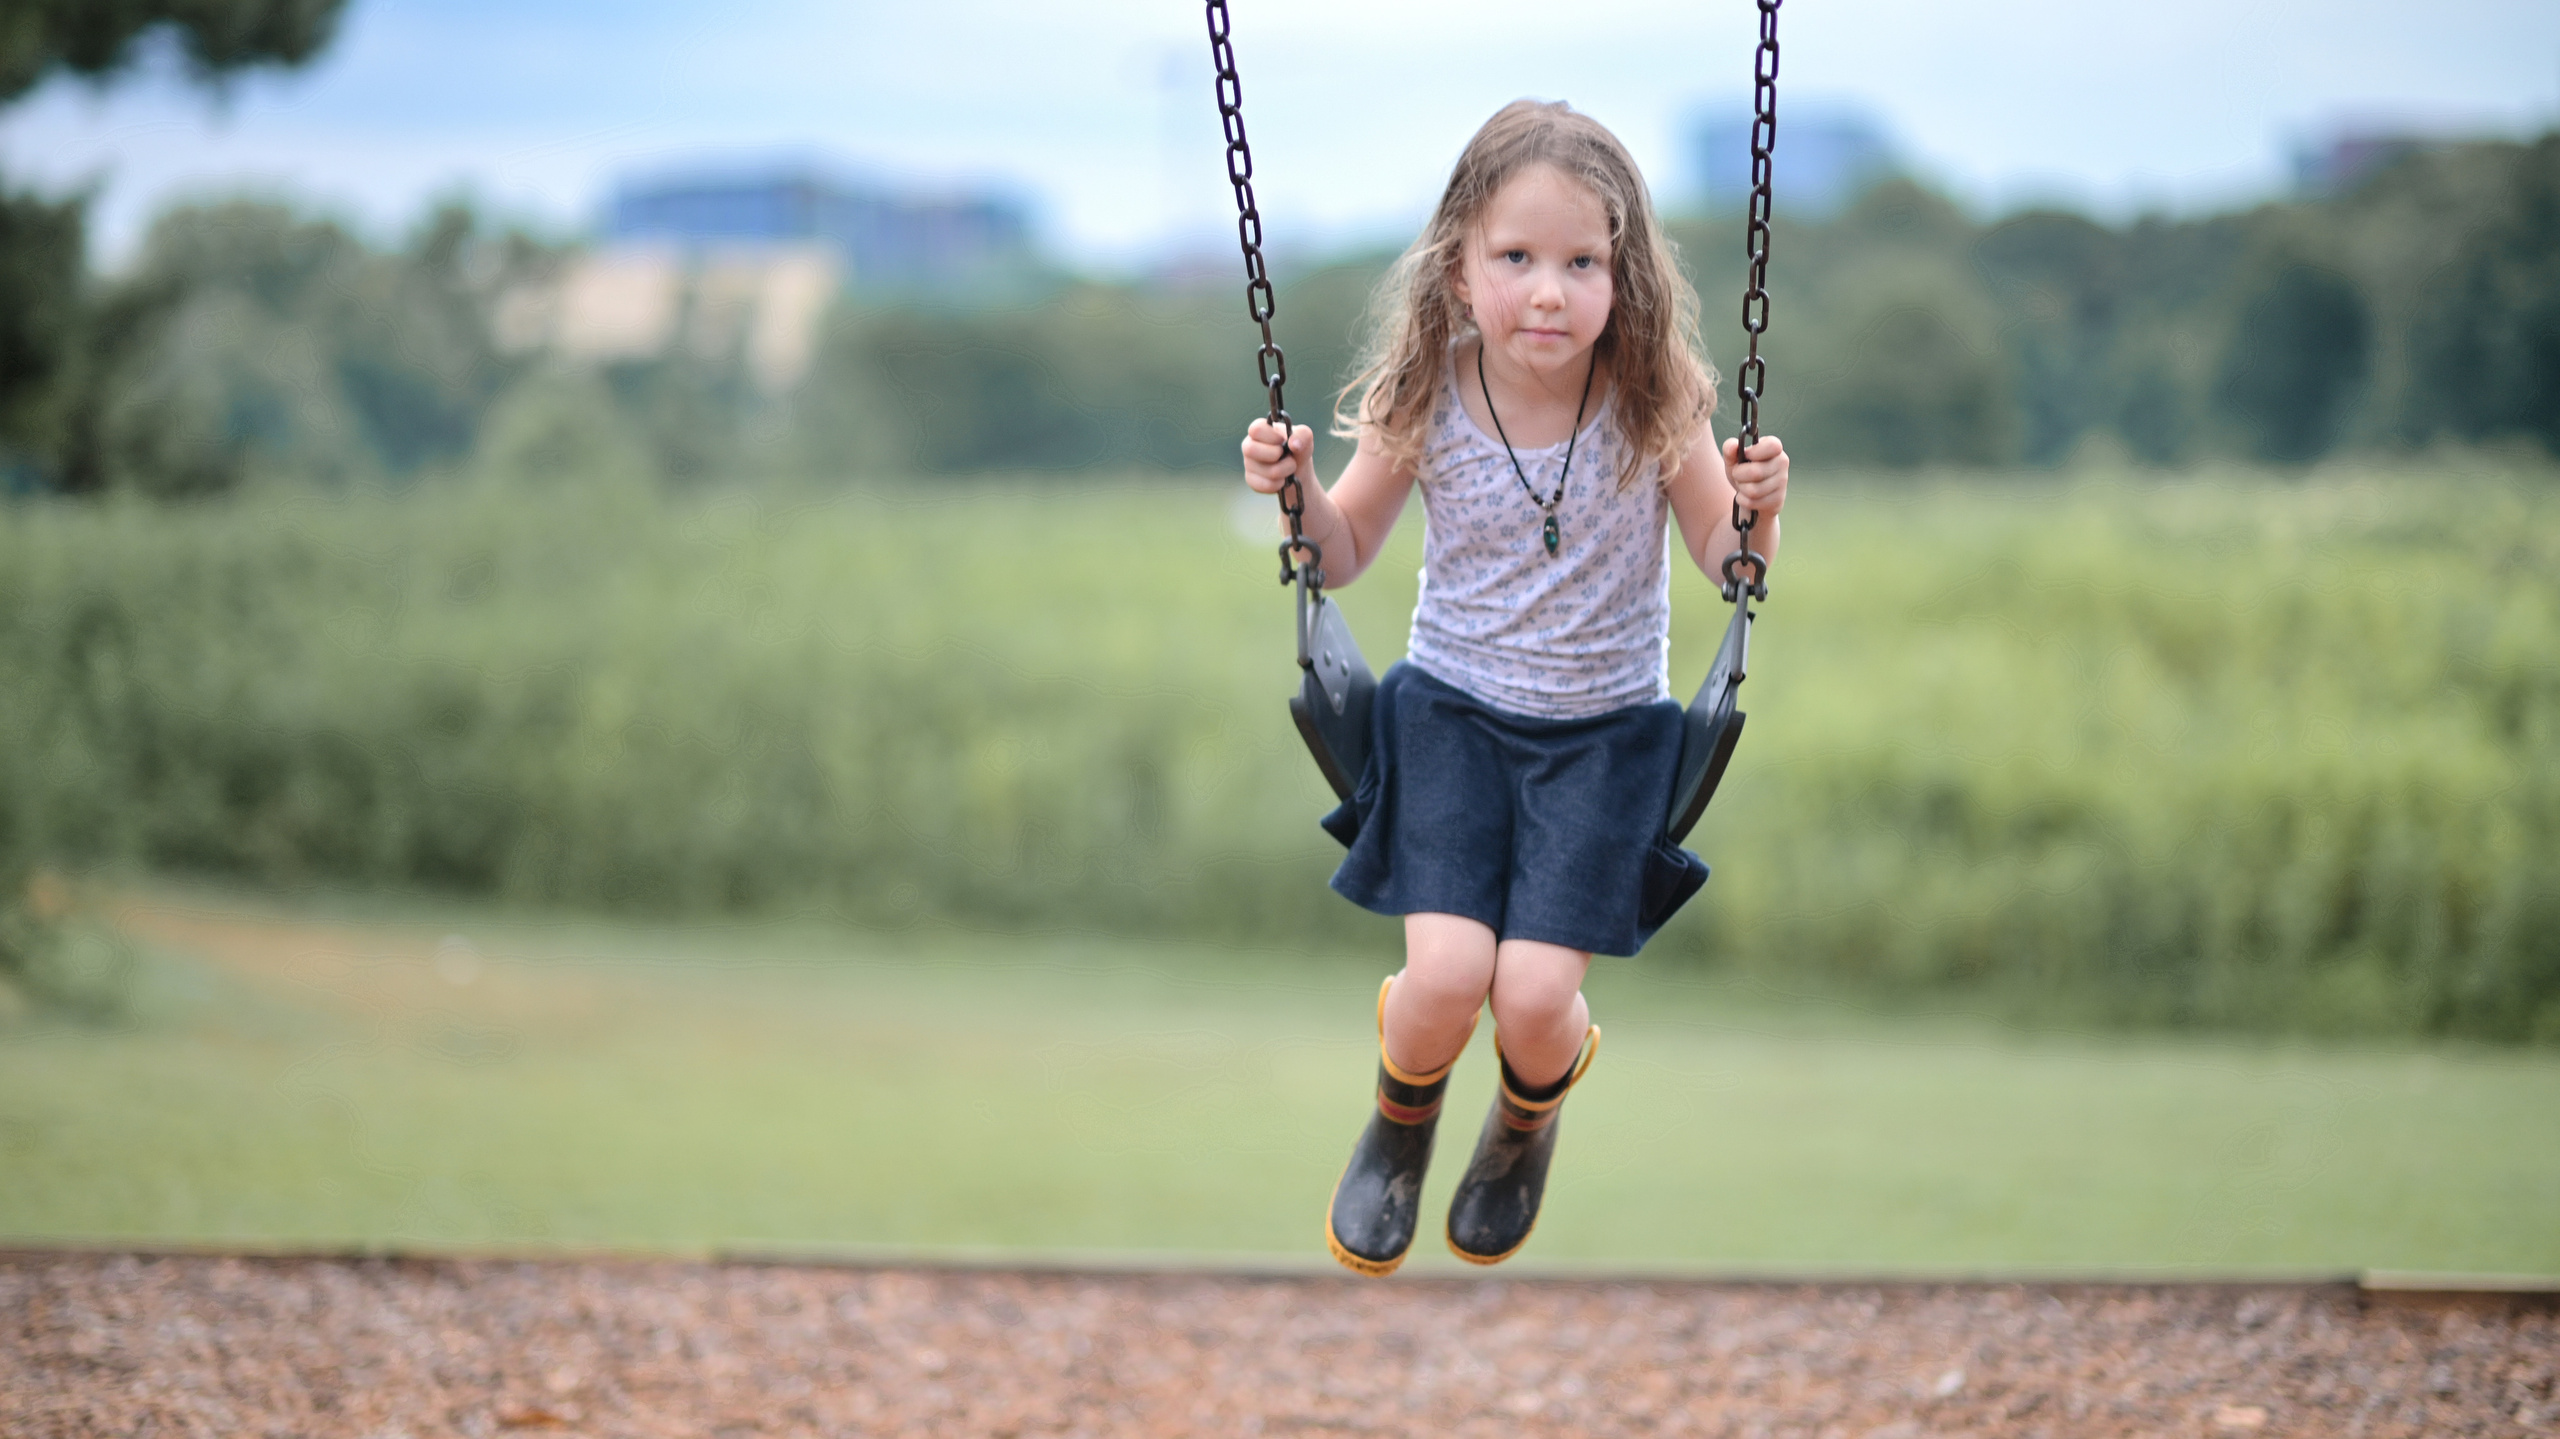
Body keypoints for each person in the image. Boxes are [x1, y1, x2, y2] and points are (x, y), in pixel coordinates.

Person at [1239, 99, 1791, 1276]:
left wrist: (1759, 510)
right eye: (1517, 258)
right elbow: (1341, 554)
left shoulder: (1656, 403)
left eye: (1581, 262)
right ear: (1457, 270)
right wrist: (1293, 495)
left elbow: (1720, 556)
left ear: (1623, 277)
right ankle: (1400, 1122)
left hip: (1603, 736)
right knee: (1443, 975)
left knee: (1535, 997)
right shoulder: (1428, 397)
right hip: (1448, 714)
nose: (1548, 290)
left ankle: (1525, 1119)